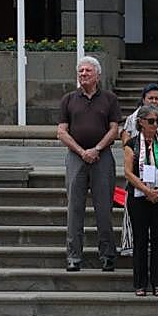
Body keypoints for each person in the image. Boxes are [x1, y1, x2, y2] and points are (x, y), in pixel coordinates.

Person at [56, 55, 121, 273]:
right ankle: (74, 256)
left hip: (102, 157)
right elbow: (61, 131)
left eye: (87, 71)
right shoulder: (68, 99)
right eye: (81, 71)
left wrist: (97, 149)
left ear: (97, 75)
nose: (83, 74)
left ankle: (108, 255)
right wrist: (82, 151)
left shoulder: (109, 99)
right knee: (74, 208)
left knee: (104, 208)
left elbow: (114, 129)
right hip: (76, 157)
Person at [122, 104, 158, 297]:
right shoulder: (131, 144)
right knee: (140, 240)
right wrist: (146, 190)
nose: (155, 125)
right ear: (141, 123)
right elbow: (128, 172)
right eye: (151, 121)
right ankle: (140, 283)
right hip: (139, 196)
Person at [122, 83, 158, 147]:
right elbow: (126, 144)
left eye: (157, 98)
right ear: (143, 100)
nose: (154, 101)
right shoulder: (130, 119)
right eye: (150, 98)